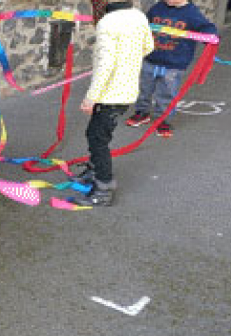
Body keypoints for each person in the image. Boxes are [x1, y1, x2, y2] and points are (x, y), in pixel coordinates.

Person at [74, 0, 154, 207]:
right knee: (97, 133)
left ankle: (104, 186)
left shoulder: (107, 22)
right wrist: (127, 61)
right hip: (126, 91)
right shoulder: (139, 16)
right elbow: (149, 46)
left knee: (97, 139)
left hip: (110, 94)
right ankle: (94, 170)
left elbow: (105, 65)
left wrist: (91, 98)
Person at [125, 0, 218, 138]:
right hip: (151, 58)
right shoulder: (158, 7)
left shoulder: (192, 13)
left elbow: (206, 27)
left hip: (174, 63)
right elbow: (145, 22)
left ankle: (162, 120)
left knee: (167, 93)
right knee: (144, 89)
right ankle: (141, 112)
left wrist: (210, 37)